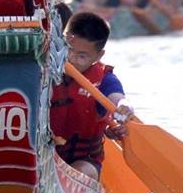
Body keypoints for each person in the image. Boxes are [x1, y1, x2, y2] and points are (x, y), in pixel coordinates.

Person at [50, 11, 133, 180]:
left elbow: (118, 98)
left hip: (84, 160)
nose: (72, 59)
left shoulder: (104, 79)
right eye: (69, 50)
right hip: (44, 155)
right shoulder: (44, 70)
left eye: (82, 55)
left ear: (99, 55)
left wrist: (124, 107)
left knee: (81, 171)